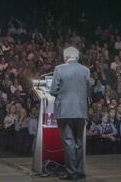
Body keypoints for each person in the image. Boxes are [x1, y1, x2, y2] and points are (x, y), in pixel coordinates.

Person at [50, 46, 90, 180]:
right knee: (79, 142)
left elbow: (53, 90)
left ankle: (72, 173)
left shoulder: (59, 69)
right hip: (81, 110)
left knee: (69, 141)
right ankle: (80, 172)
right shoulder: (86, 70)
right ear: (77, 56)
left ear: (65, 57)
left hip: (65, 110)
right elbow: (87, 89)